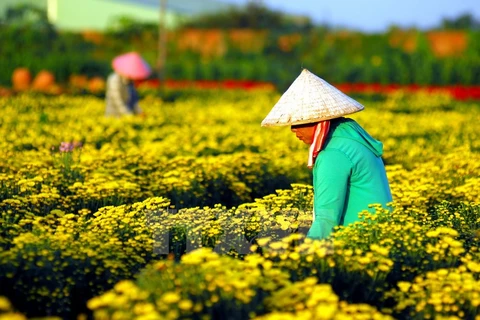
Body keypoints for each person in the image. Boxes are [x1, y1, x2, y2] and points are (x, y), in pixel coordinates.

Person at [261, 69, 392, 240]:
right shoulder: (351, 140)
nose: (293, 129)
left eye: (299, 122)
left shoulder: (333, 154)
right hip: (381, 237)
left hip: (358, 245)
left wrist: (306, 258)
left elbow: (326, 219)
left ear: (319, 121)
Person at [105, 52, 151, 117]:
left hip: (127, 116)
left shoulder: (130, 82)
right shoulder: (114, 79)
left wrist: (140, 112)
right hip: (114, 116)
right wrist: (129, 115)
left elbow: (134, 101)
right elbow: (117, 101)